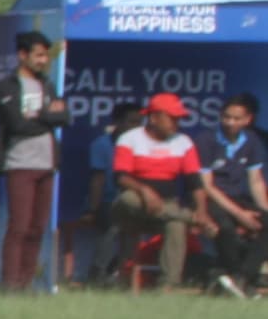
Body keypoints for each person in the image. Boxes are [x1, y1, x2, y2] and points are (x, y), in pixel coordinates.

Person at [0, 32, 69, 292]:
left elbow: (65, 117)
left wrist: (38, 115)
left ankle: (27, 282)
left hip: (47, 164)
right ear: (23, 55)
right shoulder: (6, 86)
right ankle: (10, 283)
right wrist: (48, 117)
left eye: (46, 55)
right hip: (20, 163)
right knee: (19, 226)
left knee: (37, 228)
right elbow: (16, 124)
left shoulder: (48, 85)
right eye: (39, 55)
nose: (44, 61)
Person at [105, 90, 204, 292]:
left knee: (176, 225)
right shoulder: (129, 139)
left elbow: (195, 183)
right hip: (133, 206)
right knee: (129, 198)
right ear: (153, 118)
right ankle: (186, 216)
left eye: (179, 119)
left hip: (166, 207)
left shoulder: (183, 142)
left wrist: (202, 211)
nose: (176, 123)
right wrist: (145, 191)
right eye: (172, 118)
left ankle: (168, 285)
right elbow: (120, 177)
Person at [202, 93, 264, 294]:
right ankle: (235, 276)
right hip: (212, 200)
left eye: (236, 118)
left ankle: (242, 278)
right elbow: (207, 186)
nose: (230, 122)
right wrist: (240, 215)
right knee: (226, 228)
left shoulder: (252, 141)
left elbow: (256, 181)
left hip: (239, 199)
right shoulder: (206, 140)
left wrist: (264, 211)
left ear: (248, 120)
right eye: (226, 117)